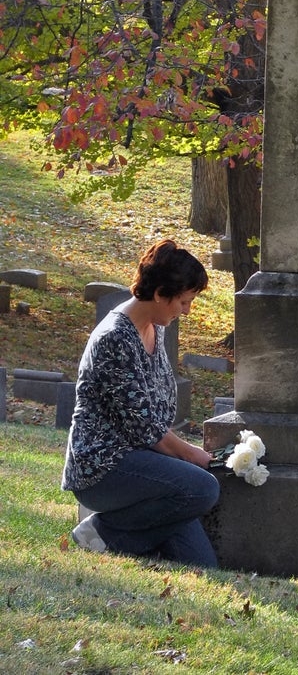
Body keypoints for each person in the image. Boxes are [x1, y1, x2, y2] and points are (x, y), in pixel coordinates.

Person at [62, 239, 220, 568]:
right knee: (203, 489)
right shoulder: (115, 337)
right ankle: (102, 534)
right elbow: (145, 427)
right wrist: (192, 455)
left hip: (142, 460)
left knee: (202, 565)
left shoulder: (154, 327)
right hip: (103, 468)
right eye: (184, 301)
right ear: (161, 293)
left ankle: (134, 547)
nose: (186, 311)